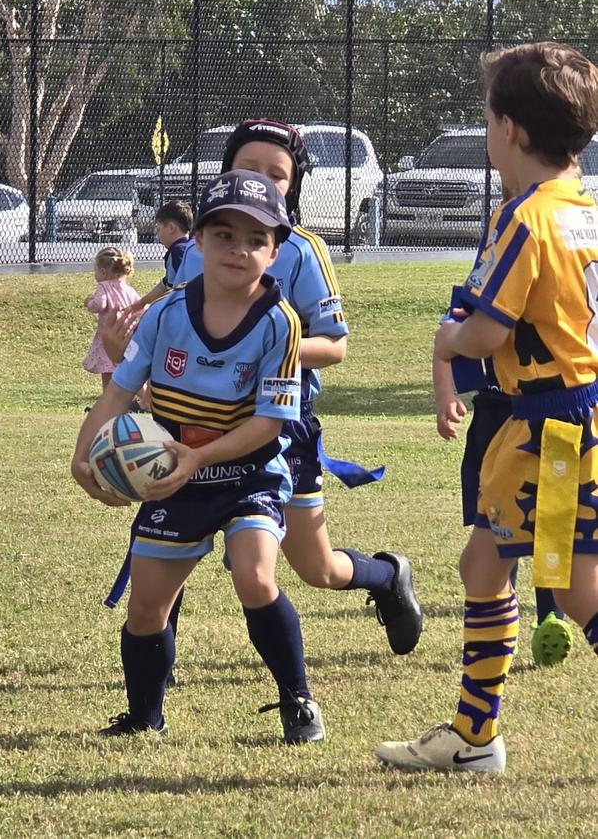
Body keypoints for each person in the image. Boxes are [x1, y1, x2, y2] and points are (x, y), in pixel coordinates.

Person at [375, 41, 598, 774]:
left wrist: (448, 337)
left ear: (511, 130)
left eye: (488, 111)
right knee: (488, 563)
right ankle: (474, 736)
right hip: (568, 418)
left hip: (548, 429)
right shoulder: (584, 210)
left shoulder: (525, 219)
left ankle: (475, 738)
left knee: (574, 590)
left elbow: (488, 328)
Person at [140, 119, 423, 657]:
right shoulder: (199, 247)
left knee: (316, 568)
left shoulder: (299, 251)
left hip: (277, 430)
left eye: (278, 175)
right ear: (226, 171)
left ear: (293, 186)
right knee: (165, 545)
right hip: (187, 428)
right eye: (249, 168)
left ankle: (385, 576)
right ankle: (155, 675)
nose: (264, 180)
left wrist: (260, 352)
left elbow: (335, 346)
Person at [71, 169, 326, 744]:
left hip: (248, 473)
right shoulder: (164, 315)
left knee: (255, 577)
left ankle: (298, 701)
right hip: (175, 479)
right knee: (146, 607)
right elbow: (117, 391)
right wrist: (82, 454)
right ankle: (144, 717)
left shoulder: (279, 324)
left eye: (256, 240)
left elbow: (269, 421)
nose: (238, 250)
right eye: (223, 235)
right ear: (200, 242)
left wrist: (194, 460)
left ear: (275, 251)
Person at [433, 188, 573, 668]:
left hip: (544, 415)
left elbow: (466, 336)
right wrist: (446, 395)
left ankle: (547, 616)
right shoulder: (481, 286)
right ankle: (502, 617)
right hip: (499, 417)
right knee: (487, 545)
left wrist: (452, 341)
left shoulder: (540, 251)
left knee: (553, 541)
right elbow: (448, 338)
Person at [82, 246, 141, 394]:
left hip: (108, 337)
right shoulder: (129, 290)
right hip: (127, 336)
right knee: (126, 369)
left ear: (103, 271)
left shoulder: (104, 286)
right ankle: (137, 394)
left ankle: (108, 397)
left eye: (95, 271)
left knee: (107, 371)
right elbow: (142, 307)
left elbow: (100, 304)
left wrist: (89, 302)